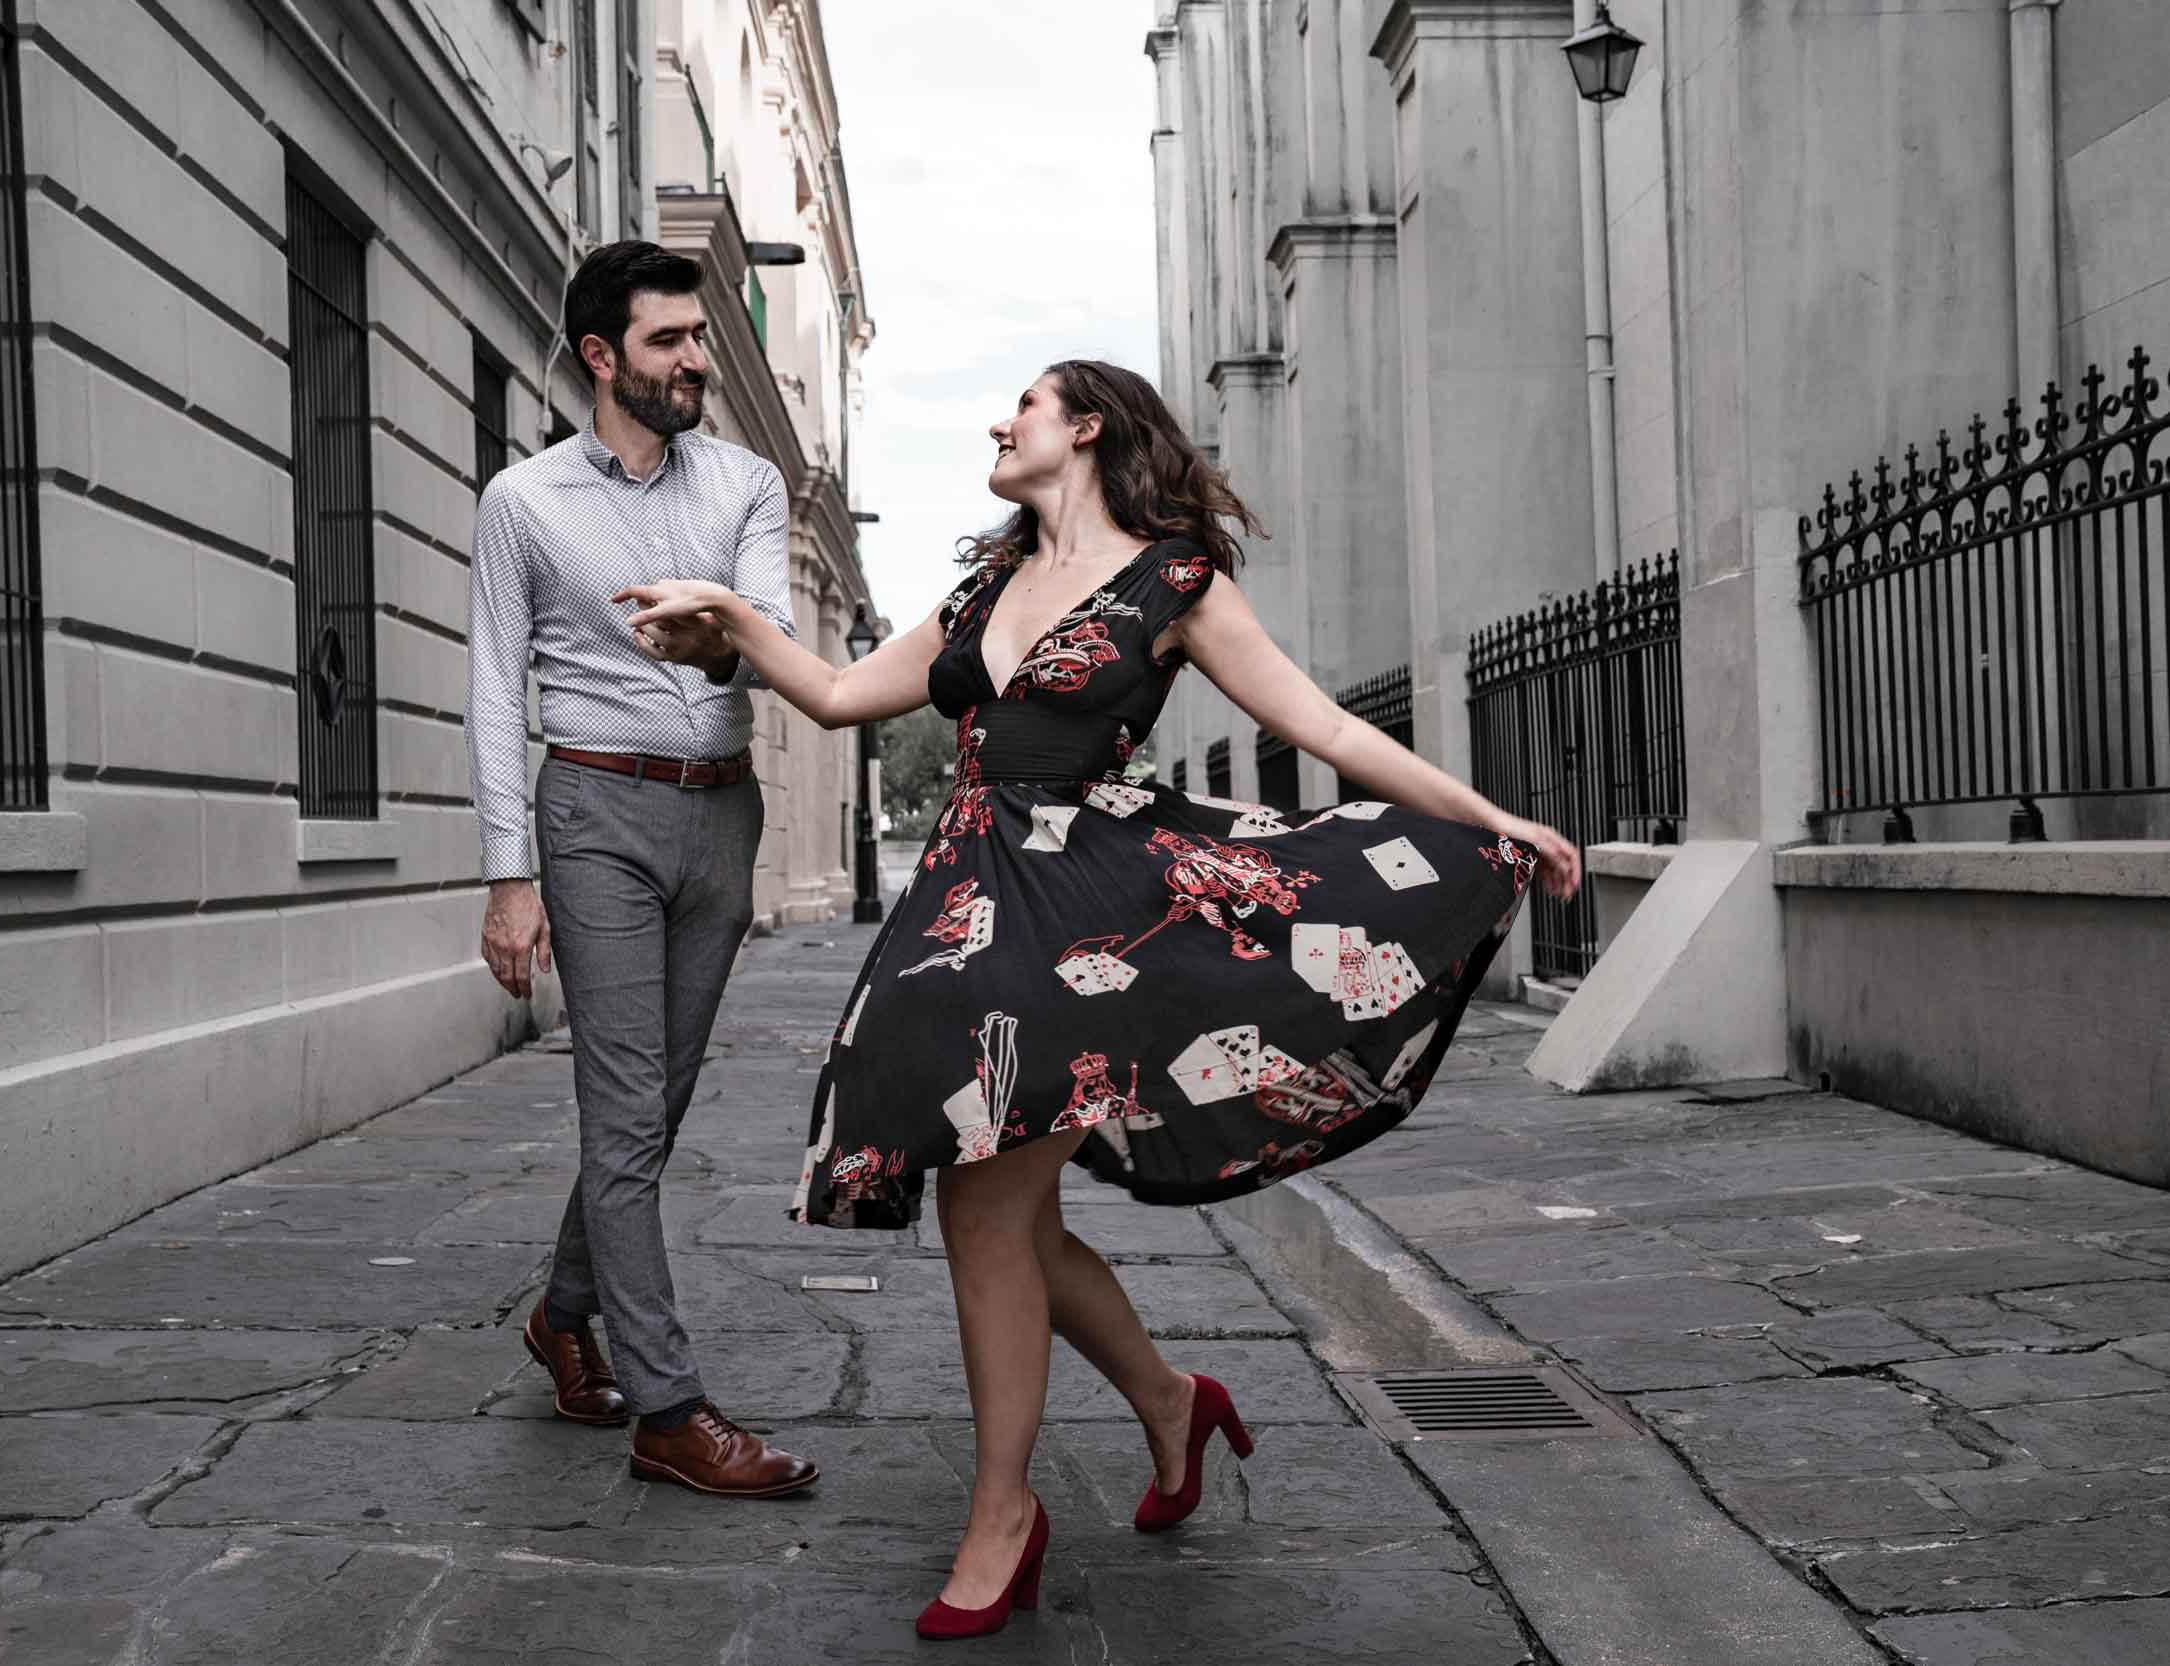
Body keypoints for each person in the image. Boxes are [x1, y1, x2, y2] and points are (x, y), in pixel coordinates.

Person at [614, 359, 1582, 1637]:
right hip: (964, 912)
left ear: (1081, 427)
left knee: (983, 1199)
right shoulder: (980, 590)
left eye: (1020, 404)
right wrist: (735, 625)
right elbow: (843, 695)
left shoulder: (1173, 580)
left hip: (1091, 929)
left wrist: (1490, 815)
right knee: (1014, 1217)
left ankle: (1003, 1510)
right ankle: (1175, 1405)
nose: (996, 421)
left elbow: (1329, 733)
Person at [466, 240, 818, 1499]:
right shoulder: (524, 503)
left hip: (721, 818)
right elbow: (495, 688)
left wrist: (717, 635)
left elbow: (767, 637)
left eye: (699, 338)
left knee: (655, 1110)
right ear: (602, 356)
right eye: (668, 341)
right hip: (594, 816)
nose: (695, 361)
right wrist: (510, 876)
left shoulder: (745, 483)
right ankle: (668, 1410)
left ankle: (565, 1312)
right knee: (621, 1113)